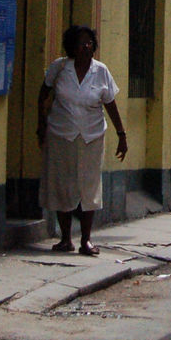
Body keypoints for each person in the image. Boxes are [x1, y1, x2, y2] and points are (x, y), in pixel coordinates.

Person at [37, 24, 127, 257]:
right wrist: (41, 124)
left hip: (91, 136)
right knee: (62, 184)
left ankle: (86, 240)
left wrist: (121, 134)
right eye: (81, 43)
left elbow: (110, 104)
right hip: (61, 134)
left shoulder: (101, 71)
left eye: (89, 42)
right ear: (72, 47)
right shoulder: (59, 68)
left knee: (89, 186)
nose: (86, 47)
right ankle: (65, 238)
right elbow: (43, 94)